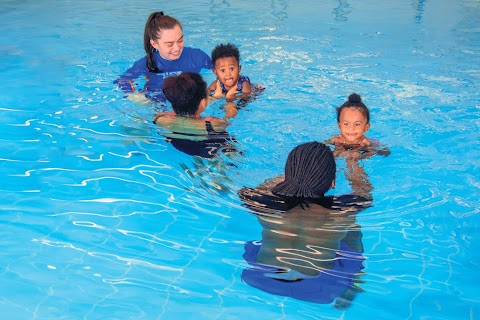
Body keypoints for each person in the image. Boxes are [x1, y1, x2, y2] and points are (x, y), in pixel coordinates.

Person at [238, 142, 372, 307]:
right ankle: (355, 280)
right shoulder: (341, 214)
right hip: (320, 288)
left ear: (287, 175)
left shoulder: (266, 208)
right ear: (332, 183)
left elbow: (255, 190)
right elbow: (364, 192)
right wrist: (353, 161)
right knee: (353, 230)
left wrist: (292, 179)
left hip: (264, 277)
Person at [114, 12, 213, 104]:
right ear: (154, 44)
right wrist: (138, 98)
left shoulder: (196, 57)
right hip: (157, 105)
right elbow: (122, 81)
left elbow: (221, 71)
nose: (177, 48)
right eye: (169, 44)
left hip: (190, 103)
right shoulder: (147, 63)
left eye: (180, 40)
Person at [153, 72, 239, 159]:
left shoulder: (161, 120)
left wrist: (213, 97)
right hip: (212, 151)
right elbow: (229, 120)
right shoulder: (213, 123)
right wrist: (230, 103)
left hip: (183, 147)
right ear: (203, 103)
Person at [325, 93, 390, 158]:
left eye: (357, 124)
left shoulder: (366, 142)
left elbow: (386, 152)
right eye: (346, 124)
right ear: (339, 126)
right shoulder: (337, 140)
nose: (351, 128)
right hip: (340, 150)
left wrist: (368, 149)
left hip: (360, 153)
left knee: (358, 155)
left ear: (366, 127)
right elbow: (320, 147)